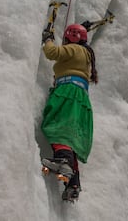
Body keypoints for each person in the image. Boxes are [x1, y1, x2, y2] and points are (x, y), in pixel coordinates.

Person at [41, 24, 98, 201]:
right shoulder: (86, 55)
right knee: (70, 137)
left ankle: (63, 162)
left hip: (68, 92)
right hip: (80, 97)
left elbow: (52, 53)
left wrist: (48, 40)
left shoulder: (74, 49)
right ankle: (73, 183)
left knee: (59, 126)